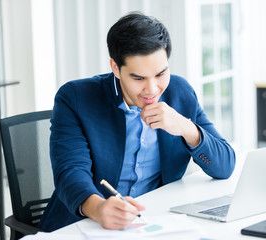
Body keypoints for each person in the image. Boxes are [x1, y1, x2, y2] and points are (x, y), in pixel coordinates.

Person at [39, 12, 235, 232]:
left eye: (160, 74)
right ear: (115, 68)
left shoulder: (180, 93)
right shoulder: (75, 98)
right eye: (139, 78)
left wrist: (186, 128)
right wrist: (99, 208)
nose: (152, 89)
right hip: (84, 225)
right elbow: (70, 172)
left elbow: (225, 166)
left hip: (154, 222)